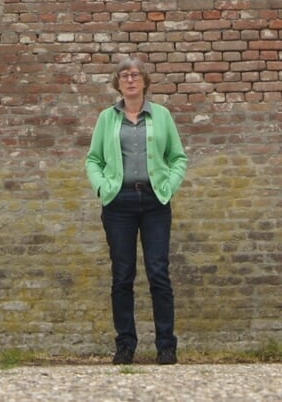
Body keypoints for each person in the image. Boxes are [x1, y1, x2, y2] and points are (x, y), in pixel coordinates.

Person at [84, 56, 189, 365]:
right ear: (118, 83)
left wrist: (169, 186)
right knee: (122, 275)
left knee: (159, 273)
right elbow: (93, 159)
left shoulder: (162, 116)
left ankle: (166, 346)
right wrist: (103, 188)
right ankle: (125, 345)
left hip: (155, 201)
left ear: (144, 81)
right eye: (124, 75)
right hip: (119, 203)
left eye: (135, 75)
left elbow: (178, 157)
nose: (130, 80)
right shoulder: (107, 118)